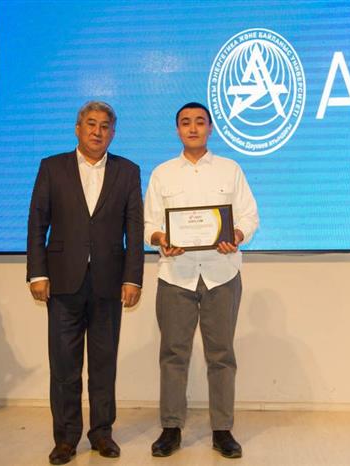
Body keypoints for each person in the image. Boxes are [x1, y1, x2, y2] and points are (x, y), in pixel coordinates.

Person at [27, 101, 144, 465]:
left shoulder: (128, 171)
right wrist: (37, 273)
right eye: (91, 124)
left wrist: (133, 278)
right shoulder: (52, 167)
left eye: (105, 126)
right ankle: (65, 439)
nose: (97, 131)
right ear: (78, 129)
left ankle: (102, 434)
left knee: (104, 363)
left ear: (113, 133)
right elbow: (37, 222)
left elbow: (134, 230)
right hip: (63, 281)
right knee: (64, 364)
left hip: (110, 282)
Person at [144, 102, 259, 458]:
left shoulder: (230, 169)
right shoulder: (162, 173)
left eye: (199, 122)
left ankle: (222, 431)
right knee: (173, 354)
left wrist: (236, 234)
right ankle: (171, 429)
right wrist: (161, 239)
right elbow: (149, 224)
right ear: (177, 130)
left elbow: (249, 216)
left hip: (221, 274)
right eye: (185, 123)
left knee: (221, 355)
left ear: (210, 128)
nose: (192, 128)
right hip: (175, 275)